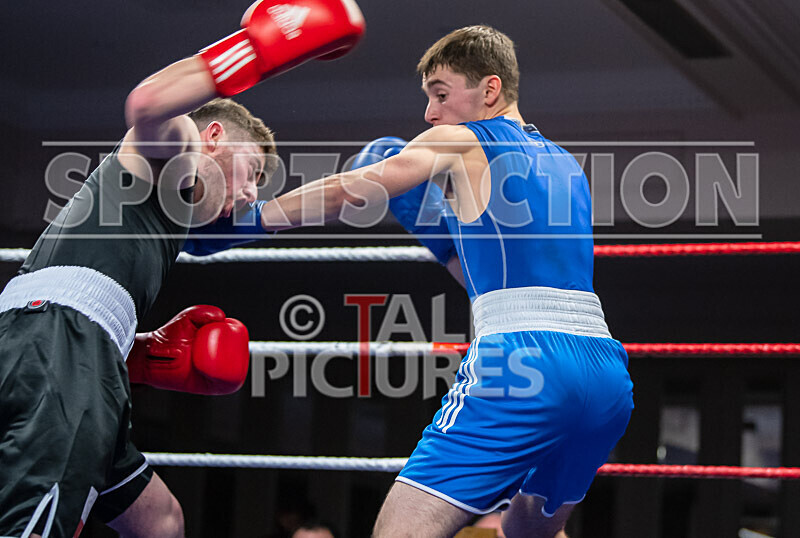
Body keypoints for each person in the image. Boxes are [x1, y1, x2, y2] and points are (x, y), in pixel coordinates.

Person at [0, 1, 365, 536]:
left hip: (75, 352)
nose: (247, 194)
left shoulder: (182, 220)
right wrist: (256, 50)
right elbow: (148, 104)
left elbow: (320, 203)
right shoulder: (176, 154)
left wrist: (139, 352)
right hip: (59, 346)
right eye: (252, 173)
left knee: (162, 520)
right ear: (215, 137)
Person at [257, 25, 633, 538]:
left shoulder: (462, 139)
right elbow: (503, 280)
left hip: (525, 363)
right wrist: (442, 238)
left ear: (490, 90)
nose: (430, 114)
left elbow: (347, 192)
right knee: (528, 530)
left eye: (440, 94)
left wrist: (254, 217)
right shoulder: (568, 166)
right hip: (606, 378)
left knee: (398, 532)